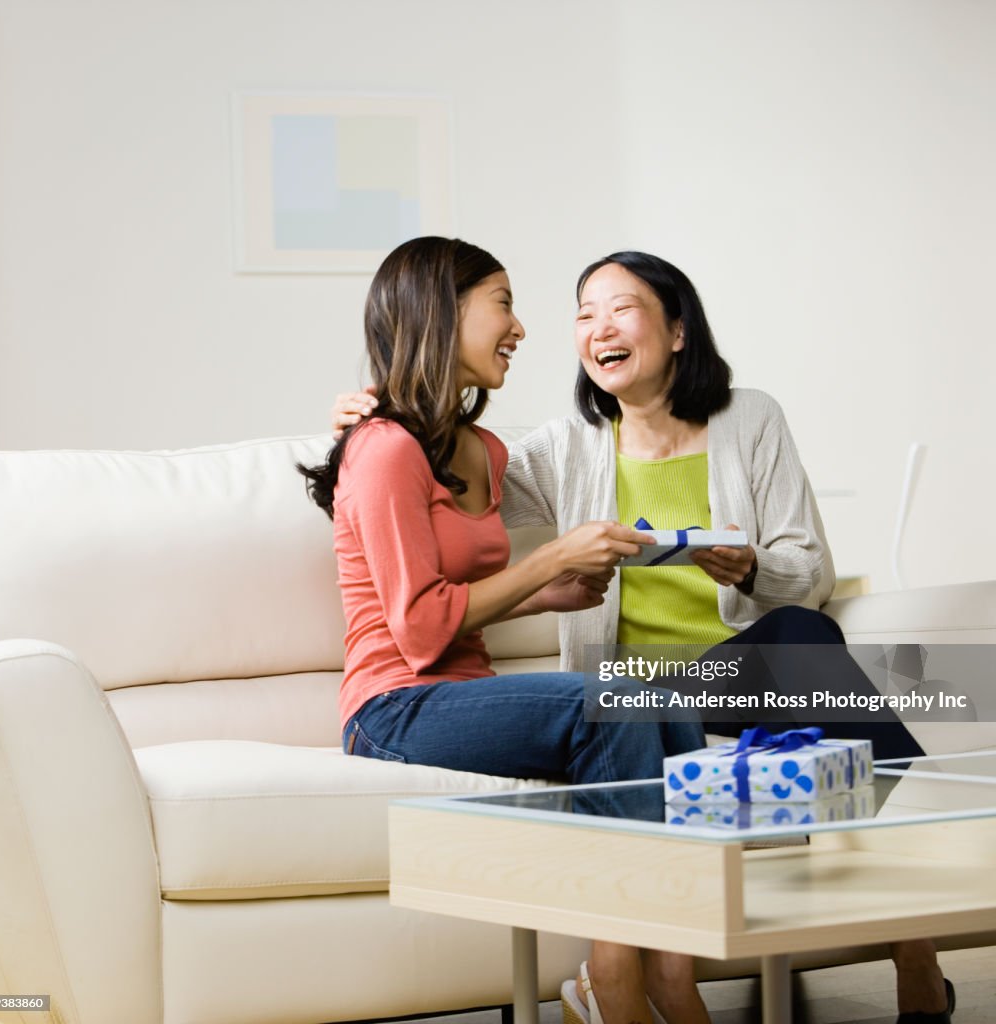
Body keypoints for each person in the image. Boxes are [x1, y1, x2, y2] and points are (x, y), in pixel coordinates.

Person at [332, 250, 955, 1024]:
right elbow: (436, 492)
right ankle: (643, 974)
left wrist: (750, 565)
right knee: (645, 695)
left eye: (620, 309)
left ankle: (920, 924)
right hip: (626, 687)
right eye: (584, 314)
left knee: (805, 634)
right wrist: (367, 418)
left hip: (727, 674)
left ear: (678, 329)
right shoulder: (554, 450)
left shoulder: (749, 419)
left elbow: (808, 571)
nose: (595, 329)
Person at [300, 236, 710, 1024]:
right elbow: (418, 633)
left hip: (464, 693)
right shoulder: (382, 449)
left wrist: (544, 595)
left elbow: (460, 593)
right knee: (605, 702)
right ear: (441, 315)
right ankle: (626, 978)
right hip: (393, 709)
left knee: (655, 696)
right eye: (503, 303)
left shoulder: (484, 449)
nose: (521, 328)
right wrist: (548, 557)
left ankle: (671, 958)